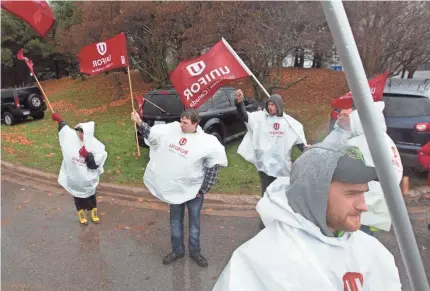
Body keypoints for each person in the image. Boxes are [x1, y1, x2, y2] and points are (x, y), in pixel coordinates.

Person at [213, 143, 401, 291]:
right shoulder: (260, 260)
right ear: (314, 194)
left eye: (364, 193)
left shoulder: (372, 251)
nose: (363, 206)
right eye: (351, 194)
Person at [131, 108, 228, 267]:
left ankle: (195, 252)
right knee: (175, 222)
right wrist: (140, 122)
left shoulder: (207, 142)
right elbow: (153, 136)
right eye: (181, 121)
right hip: (175, 189)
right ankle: (177, 251)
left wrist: (202, 190)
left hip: (194, 192)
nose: (181, 125)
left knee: (194, 224)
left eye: (185, 123)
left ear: (195, 124)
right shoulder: (173, 130)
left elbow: (212, 169)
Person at [324, 102, 403, 235]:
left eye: (347, 115)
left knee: (356, 236)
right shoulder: (381, 137)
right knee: (364, 236)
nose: (341, 117)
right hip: (376, 200)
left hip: (364, 199)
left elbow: (346, 168)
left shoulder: (362, 141)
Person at [234, 90, 307, 198]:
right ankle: (264, 213)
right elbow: (245, 116)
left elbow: (300, 143)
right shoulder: (260, 118)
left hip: (282, 166)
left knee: (281, 194)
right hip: (265, 165)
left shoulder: (289, 123)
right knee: (266, 193)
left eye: (273, 105)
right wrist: (239, 103)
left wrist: (308, 150)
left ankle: (278, 214)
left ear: (279, 106)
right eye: (269, 104)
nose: (270, 107)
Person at [51, 113, 108, 225]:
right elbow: (66, 131)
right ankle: (81, 214)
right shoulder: (73, 138)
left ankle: (93, 213)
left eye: (82, 133)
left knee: (91, 197)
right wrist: (59, 120)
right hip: (75, 179)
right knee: (78, 197)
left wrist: (87, 155)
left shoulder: (96, 145)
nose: (79, 135)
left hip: (88, 181)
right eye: (78, 132)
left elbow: (96, 164)